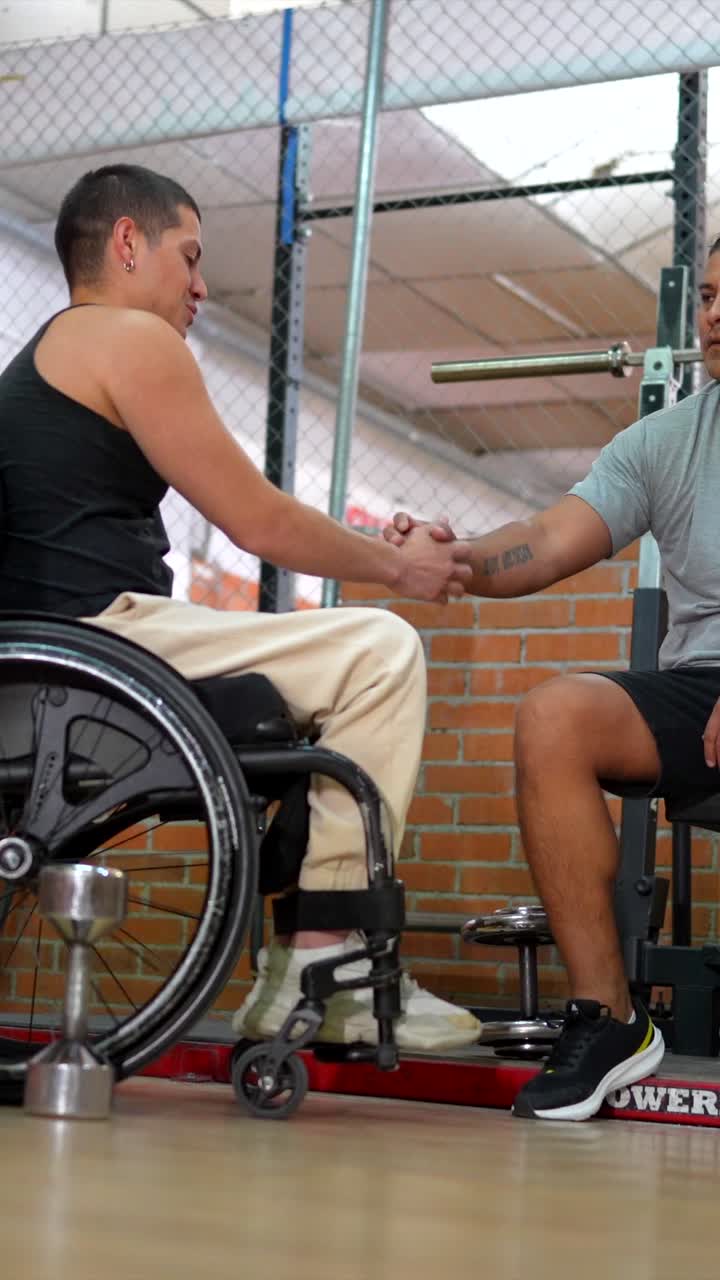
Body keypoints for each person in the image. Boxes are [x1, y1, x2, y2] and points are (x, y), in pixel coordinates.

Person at [0, 163, 482, 1052]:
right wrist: (398, 569)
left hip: (60, 662)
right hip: (103, 647)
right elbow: (256, 518)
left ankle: (305, 956)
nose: (200, 284)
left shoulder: (46, 355)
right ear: (127, 242)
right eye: (189, 256)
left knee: (319, 700)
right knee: (379, 650)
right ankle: (321, 962)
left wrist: (381, 548)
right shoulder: (124, 338)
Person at [384, 234, 720, 1119]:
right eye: (711, 296)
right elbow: (546, 541)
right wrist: (450, 560)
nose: (717, 314)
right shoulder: (666, 444)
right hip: (702, 690)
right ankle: (610, 1017)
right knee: (553, 715)